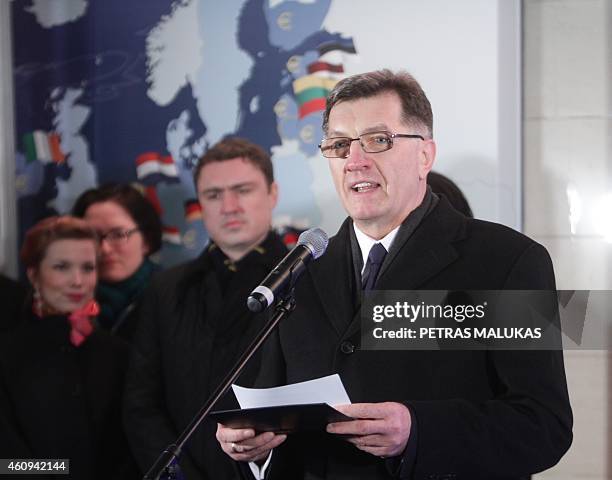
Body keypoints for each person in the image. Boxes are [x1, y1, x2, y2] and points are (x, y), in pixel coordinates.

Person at [216, 70, 573, 479]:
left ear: (425, 155)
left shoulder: (507, 261)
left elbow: (543, 426)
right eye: (339, 145)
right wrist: (253, 448)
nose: (354, 161)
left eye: (377, 140)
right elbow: (271, 416)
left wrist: (417, 430)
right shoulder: (302, 270)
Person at [123, 137, 289, 479]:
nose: (229, 206)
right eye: (214, 195)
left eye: (242, 190)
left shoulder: (314, 280)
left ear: (272, 194)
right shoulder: (165, 289)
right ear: (200, 203)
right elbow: (141, 405)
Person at [0, 216, 137, 479]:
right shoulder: (7, 355)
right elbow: (6, 463)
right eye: (62, 267)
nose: (78, 281)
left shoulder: (118, 353)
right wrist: (64, 471)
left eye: (88, 268)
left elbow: (132, 447)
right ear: (34, 274)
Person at [72, 183, 162, 341]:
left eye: (118, 235)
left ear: (146, 241)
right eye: (92, 237)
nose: (104, 249)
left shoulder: (175, 299)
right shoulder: (64, 302)